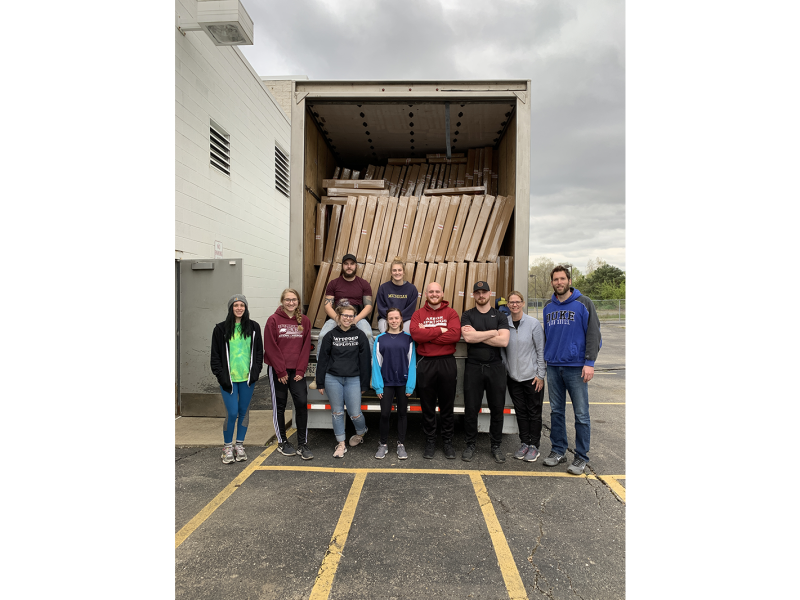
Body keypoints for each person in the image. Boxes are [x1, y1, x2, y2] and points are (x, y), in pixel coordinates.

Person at [542, 265, 602, 475]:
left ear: (569, 281)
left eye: (562, 279)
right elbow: (548, 336)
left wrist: (589, 362)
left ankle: (581, 457)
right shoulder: (548, 306)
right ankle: (558, 450)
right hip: (553, 367)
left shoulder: (583, 303)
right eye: (555, 279)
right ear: (552, 282)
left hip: (576, 368)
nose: (559, 282)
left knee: (581, 414)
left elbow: (594, 334)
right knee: (556, 411)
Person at [209, 294, 264, 464]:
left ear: (246, 308)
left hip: (247, 379)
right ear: (230, 308)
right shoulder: (220, 329)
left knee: (243, 412)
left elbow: (259, 353)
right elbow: (215, 356)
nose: (239, 308)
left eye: (242, 305)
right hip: (229, 380)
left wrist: (255, 372)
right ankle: (227, 447)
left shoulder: (254, 327)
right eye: (236, 305)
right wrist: (220, 375)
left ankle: (239, 445)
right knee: (232, 412)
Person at [409, 281, 461, 460]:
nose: (434, 294)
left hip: (447, 362)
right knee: (427, 406)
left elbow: (454, 335)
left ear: (442, 293)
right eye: (431, 292)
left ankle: (447, 442)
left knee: (447, 405)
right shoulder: (418, 314)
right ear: (426, 294)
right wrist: (441, 330)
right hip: (426, 363)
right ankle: (430, 441)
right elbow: (416, 335)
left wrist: (428, 335)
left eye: (437, 291)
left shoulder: (451, 313)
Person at [460, 281, 510, 463]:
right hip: (473, 367)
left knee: (497, 408)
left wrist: (478, 335)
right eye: (478, 292)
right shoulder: (467, 315)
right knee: (471, 409)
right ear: (474, 295)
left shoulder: (500, 315)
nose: (481, 295)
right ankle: (470, 445)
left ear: (490, 293)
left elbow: (504, 341)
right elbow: (468, 337)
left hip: (495, 367)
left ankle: (496, 446)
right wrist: (493, 332)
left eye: (484, 292)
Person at [315, 304, 371, 458]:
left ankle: (361, 432)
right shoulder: (330, 335)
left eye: (351, 316)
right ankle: (341, 444)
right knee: (337, 412)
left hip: (353, 379)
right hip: (332, 378)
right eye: (345, 315)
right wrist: (320, 382)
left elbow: (365, 362)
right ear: (338, 317)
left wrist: (364, 383)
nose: (348, 318)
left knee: (355, 413)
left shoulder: (360, 335)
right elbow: (323, 360)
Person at [264, 288, 313, 460]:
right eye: (287, 300)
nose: (291, 303)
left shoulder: (304, 321)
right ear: (282, 301)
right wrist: (280, 370)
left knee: (301, 403)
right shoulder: (273, 320)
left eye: (294, 300)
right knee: (280, 405)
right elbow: (270, 346)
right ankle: (282, 442)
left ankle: (302, 444)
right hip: (279, 371)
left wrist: (300, 370)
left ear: (298, 302)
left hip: (296, 372)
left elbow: (306, 347)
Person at [501, 291, 546, 463]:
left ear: (523, 303)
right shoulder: (505, 324)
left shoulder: (533, 324)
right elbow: (502, 350)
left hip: (532, 378)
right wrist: (507, 368)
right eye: (511, 302)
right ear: (508, 305)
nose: (514, 305)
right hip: (514, 378)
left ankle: (534, 446)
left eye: (517, 302)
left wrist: (540, 375)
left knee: (534, 412)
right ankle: (524, 443)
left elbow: (541, 350)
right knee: (520, 412)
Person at [372, 307, 417, 459]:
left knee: (402, 414)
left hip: (403, 383)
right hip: (386, 383)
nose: (394, 321)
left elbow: (412, 362)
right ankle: (383, 444)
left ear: (401, 319)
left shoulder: (408, 339)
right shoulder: (380, 339)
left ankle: (401, 444)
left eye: (396, 318)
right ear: (387, 320)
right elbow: (376, 364)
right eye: (391, 318)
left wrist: (410, 385)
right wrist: (378, 386)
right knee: (385, 414)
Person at [317, 253, 374, 358]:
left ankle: (369, 365)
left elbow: (368, 306)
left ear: (356, 266)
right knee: (322, 336)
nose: (349, 266)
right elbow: (327, 306)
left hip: (357, 317)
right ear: (342, 266)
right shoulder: (333, 283)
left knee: (368, 335)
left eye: (352, 264)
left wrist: (356, 320)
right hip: (338, 316)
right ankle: (320, 367)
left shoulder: (364, 284)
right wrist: (337, 319)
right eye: (346, 264)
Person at [375, 258, 418, 334]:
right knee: (387, 334)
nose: (397, 273)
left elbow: (410, 310)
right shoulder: (383, 288)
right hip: (386, 319)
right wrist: (392, 319)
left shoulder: (412, 289)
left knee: (406, 334)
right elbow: (381, 308)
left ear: (404, 272)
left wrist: (398, 319)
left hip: (405, 320)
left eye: (399, 270)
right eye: (394, 270)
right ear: (391, 273)